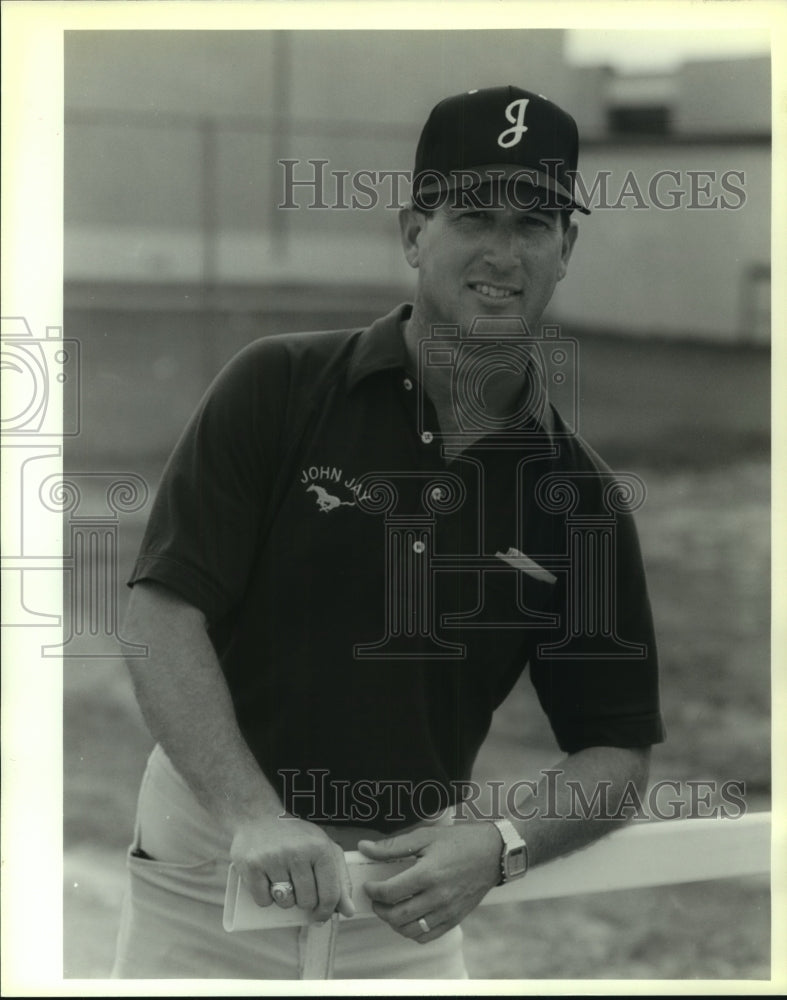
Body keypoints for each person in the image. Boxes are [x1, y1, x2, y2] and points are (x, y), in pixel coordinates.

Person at [113, 85, 665, 980]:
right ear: (414, 232)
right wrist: (255, 813)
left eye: (532, 224)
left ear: (566, 248)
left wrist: (498, 843)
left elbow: (614, 751)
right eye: (472, 216)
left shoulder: (579, 498)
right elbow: (161, 613)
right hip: (209, 874)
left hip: (402, 907)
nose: (500, 251)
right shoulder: (277, 386)